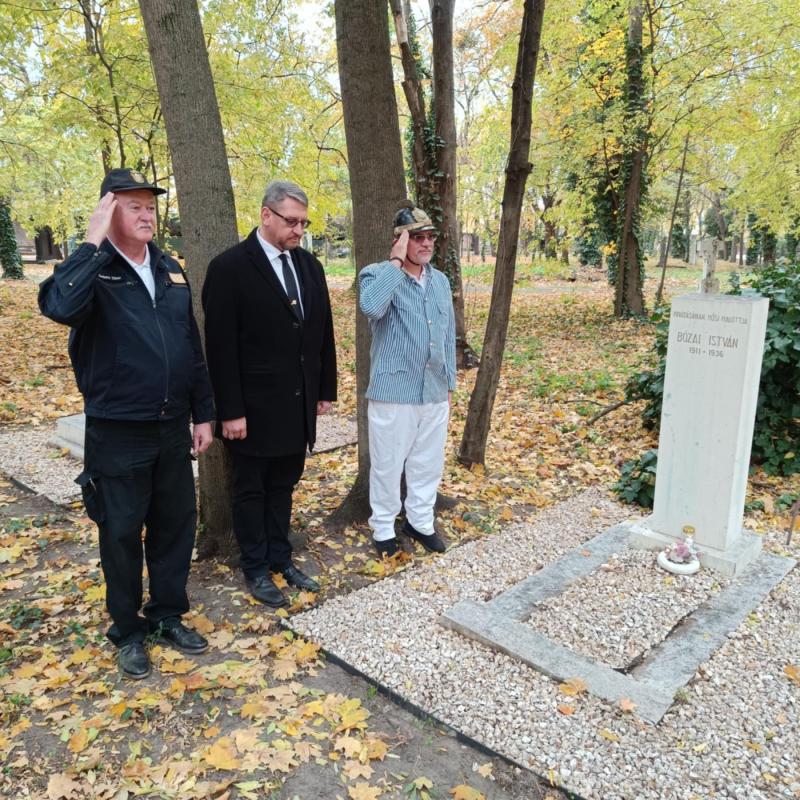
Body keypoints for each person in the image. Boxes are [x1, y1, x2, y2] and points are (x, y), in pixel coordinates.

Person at [38, 168, 215, 680]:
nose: (147, 215)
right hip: (118, 430)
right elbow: (59, 305)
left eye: (150, 206)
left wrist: (203, 413)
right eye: (133, 206)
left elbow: (190, 347)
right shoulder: (94, 270)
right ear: (107, 212)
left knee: (174, 526)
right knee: (119, 533)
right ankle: (128, 631)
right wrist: (91, 243)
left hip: (171, 426)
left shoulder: (169, 268)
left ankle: (167, 614)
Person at [202, 180, 337, 607]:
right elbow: (220, 348)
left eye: (303, 223)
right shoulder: (230, 268)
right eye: (291, 221)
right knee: (251, 491)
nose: (299, 230)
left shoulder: (309, 266)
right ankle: (256, 568)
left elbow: (323, 331)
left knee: (284, 485)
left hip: (298, 405)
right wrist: (230, 410)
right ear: (265, 215)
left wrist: (325, 388)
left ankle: (282, 557)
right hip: (253, 409)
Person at [358, 203, 456, 556]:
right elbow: (371, 307)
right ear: (399, 240)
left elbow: (448, 334)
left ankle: (420, 522)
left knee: (428, 463)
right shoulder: (376, 275)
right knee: (387, 464)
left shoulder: (440, 281)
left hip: (434, 389)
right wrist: (396, 262)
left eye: (430, 236)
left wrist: (450, 383)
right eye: (417, 237)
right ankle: (384, 528)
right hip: (394, 391)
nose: (426, 243)